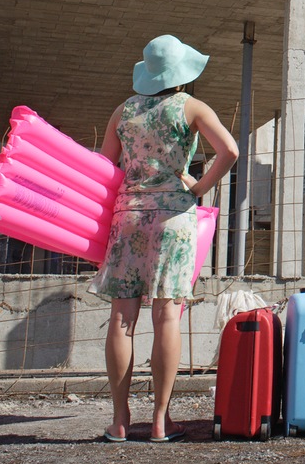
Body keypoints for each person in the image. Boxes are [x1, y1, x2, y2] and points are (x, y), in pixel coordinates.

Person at [89, 34, 239, 442]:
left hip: (128, 217)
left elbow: (104, 165)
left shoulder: (123, 110)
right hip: (173, 216)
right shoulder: (191, 107)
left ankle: (120, 422)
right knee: (166, 316)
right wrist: (198, 186)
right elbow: (229, 150)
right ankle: (160, 421)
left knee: (122, 319)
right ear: (182, 72)